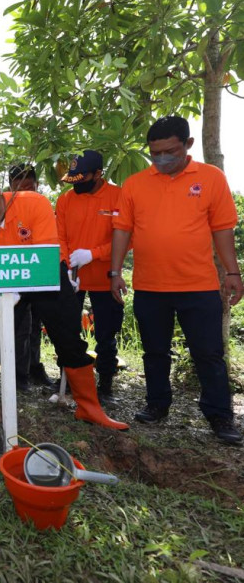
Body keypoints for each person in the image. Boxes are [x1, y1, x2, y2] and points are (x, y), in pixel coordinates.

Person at [0, 169, 128, 431]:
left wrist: (18, 289)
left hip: (46, 275)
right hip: (0, 284)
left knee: (68, 338)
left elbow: (46, 255)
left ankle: (89, 408)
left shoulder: (33, 203)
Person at [111, 116, 243, 444]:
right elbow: (122, 231)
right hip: (150, 286)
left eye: (169, 151)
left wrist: (232, 272)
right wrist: (114, 272)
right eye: (154, 153)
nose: (161, 159)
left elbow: (222, 229)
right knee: (154, 351)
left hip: (197, 286)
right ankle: (156, 405)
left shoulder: (211, 179)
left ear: (188, 145)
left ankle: (219, 415)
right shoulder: (135, 184)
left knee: (208, 353)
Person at [57, 150, 125, 405]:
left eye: (83, 180)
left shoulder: (118, 197)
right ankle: (69, 378)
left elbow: (125, 239)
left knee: (106, 334)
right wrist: (65, 265)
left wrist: (94, 254)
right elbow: (59, 236)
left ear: (99, 174)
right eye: (73, 181)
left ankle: (105, 383)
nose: (77, 186)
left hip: (106, 278)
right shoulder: (65, 201)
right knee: (67, 331)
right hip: (72, 280)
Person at [8, 164, 54, 389]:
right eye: (20, 187)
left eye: (30, 186)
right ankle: (19, 376)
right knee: (20, 329)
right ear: (10, 186)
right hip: (16, 278)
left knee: (36, 326)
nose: (27, 191)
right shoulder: (5, 208)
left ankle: (35, 368)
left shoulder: (43, 206)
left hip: (40, 276)